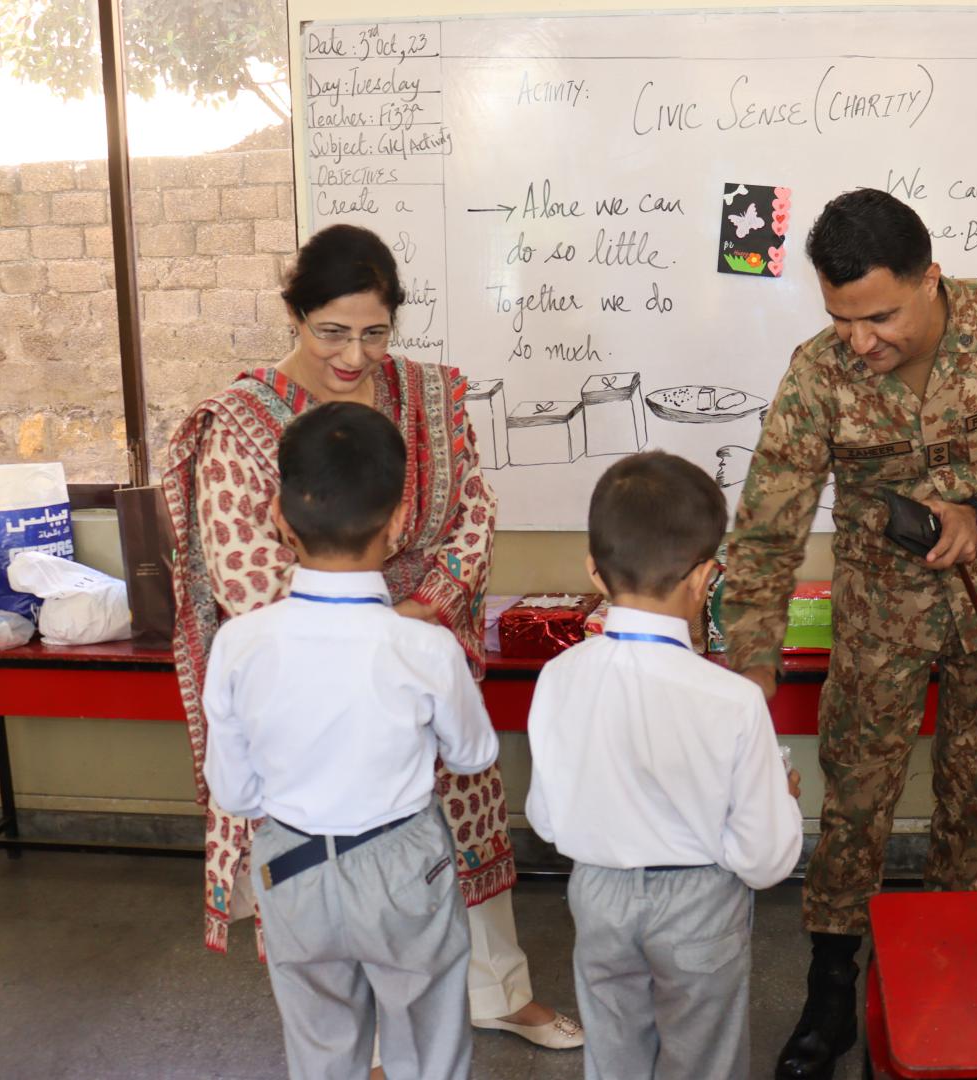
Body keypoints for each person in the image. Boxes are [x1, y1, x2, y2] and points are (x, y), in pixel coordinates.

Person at [162, 223, 581, 1055]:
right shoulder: (241, 421)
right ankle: (384, 1048)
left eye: (375, 333)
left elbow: (473, 513)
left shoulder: (426, 394)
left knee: (460, 828)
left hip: (421, 643)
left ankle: (498, 991)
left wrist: (422, 612)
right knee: (349, 880)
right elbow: (243, 568)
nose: (354, 356)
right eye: (332, 332)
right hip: (315, 682)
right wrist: (370, 631)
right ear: (294, 315)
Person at [720, 188, 977, 1079]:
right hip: (878, 618)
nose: (860, 341)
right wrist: (752, 658)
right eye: (842, 319)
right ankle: (829, 988)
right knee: (856, 796)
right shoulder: (818, 372)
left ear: (930, 279)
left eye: (880, 317)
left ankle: (951, 971)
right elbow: (771, 519)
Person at [203, 402, 496, 1079]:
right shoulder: (424, 647)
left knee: (320, 1048)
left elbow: (235, 793)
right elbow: (474, 754)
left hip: (291, 866)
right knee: (428, 1047)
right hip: (402, 864)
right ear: (398, 522)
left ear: (279, 516)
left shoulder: (239, 644)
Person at [526, 451, 804, 1079]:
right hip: (698, 903)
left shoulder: (558, 676)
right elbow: (764, 860)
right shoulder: (733, 699)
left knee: (613, 1053)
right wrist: (781, 801)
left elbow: (546, 819)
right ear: (705, 577)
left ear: (594, 571)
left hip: (598, 896)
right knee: (704, 1059)